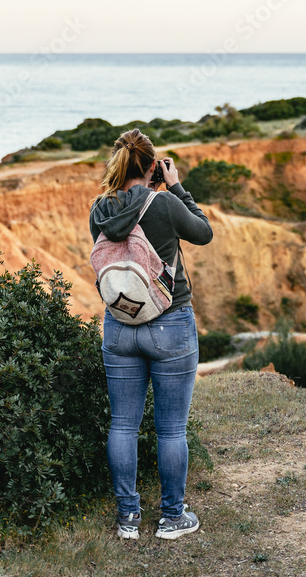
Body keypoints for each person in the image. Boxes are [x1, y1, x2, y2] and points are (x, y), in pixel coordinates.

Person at [89, 129, 213, 540]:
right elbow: (202, 232)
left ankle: (128, 518)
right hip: (169, 322)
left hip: (120, 325)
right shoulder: (163, 202)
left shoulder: (99, 209)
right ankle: (172, 517)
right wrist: (175, 186)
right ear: (152, 165)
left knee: (122, 425)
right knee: (171, 429)